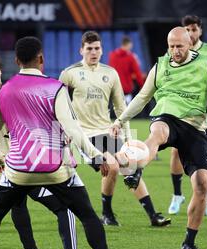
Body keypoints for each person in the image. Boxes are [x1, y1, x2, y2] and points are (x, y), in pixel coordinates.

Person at [0, 36, 122, 249]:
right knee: (88, 215)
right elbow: (73, 129)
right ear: (42, 59)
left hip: (17, 170)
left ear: (16, 61)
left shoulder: (4, 90)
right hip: (55, 170)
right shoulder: (55, 88)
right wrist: (96, 155)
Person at [111, 27, 207, 249]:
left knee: (202, 184)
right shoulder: (160, 65)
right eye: (171, 46)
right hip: (167, 117)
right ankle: (136, 169)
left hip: (195, 127)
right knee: (157, 133)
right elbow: (143, 97)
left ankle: (189, 242)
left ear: (190, 44)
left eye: (179, 46)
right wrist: (120, 120)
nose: (174, 50)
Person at [59, 31, 170, 228]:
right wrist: (64, 132)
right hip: (84, 134)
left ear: (102, 50)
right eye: (89, 49)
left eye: (97, 48)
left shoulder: (110, 73)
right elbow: (59, 106)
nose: (94, 52)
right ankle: (107, 213)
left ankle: (152, 216)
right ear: (81, 50)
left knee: (129, 166)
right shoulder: (69, 73)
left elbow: (121, 108)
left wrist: (127, 137)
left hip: (107, 131)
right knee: (113, 166)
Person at [167, 15, 207, 217]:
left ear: (200, 31)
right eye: (187, 29)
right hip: (180, 111)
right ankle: (177, 195)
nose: (191, 33)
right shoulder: (177, 50)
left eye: (194, 29)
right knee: (175, 152)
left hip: (204, 113)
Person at [108, 35, 145, 104]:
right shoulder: (131, 57)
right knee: (127, 110)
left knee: (117, 111)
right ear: (129, 44)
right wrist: (142, 86)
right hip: (126, 89)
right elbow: (137, 73)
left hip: (115, 88)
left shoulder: (112, 55)